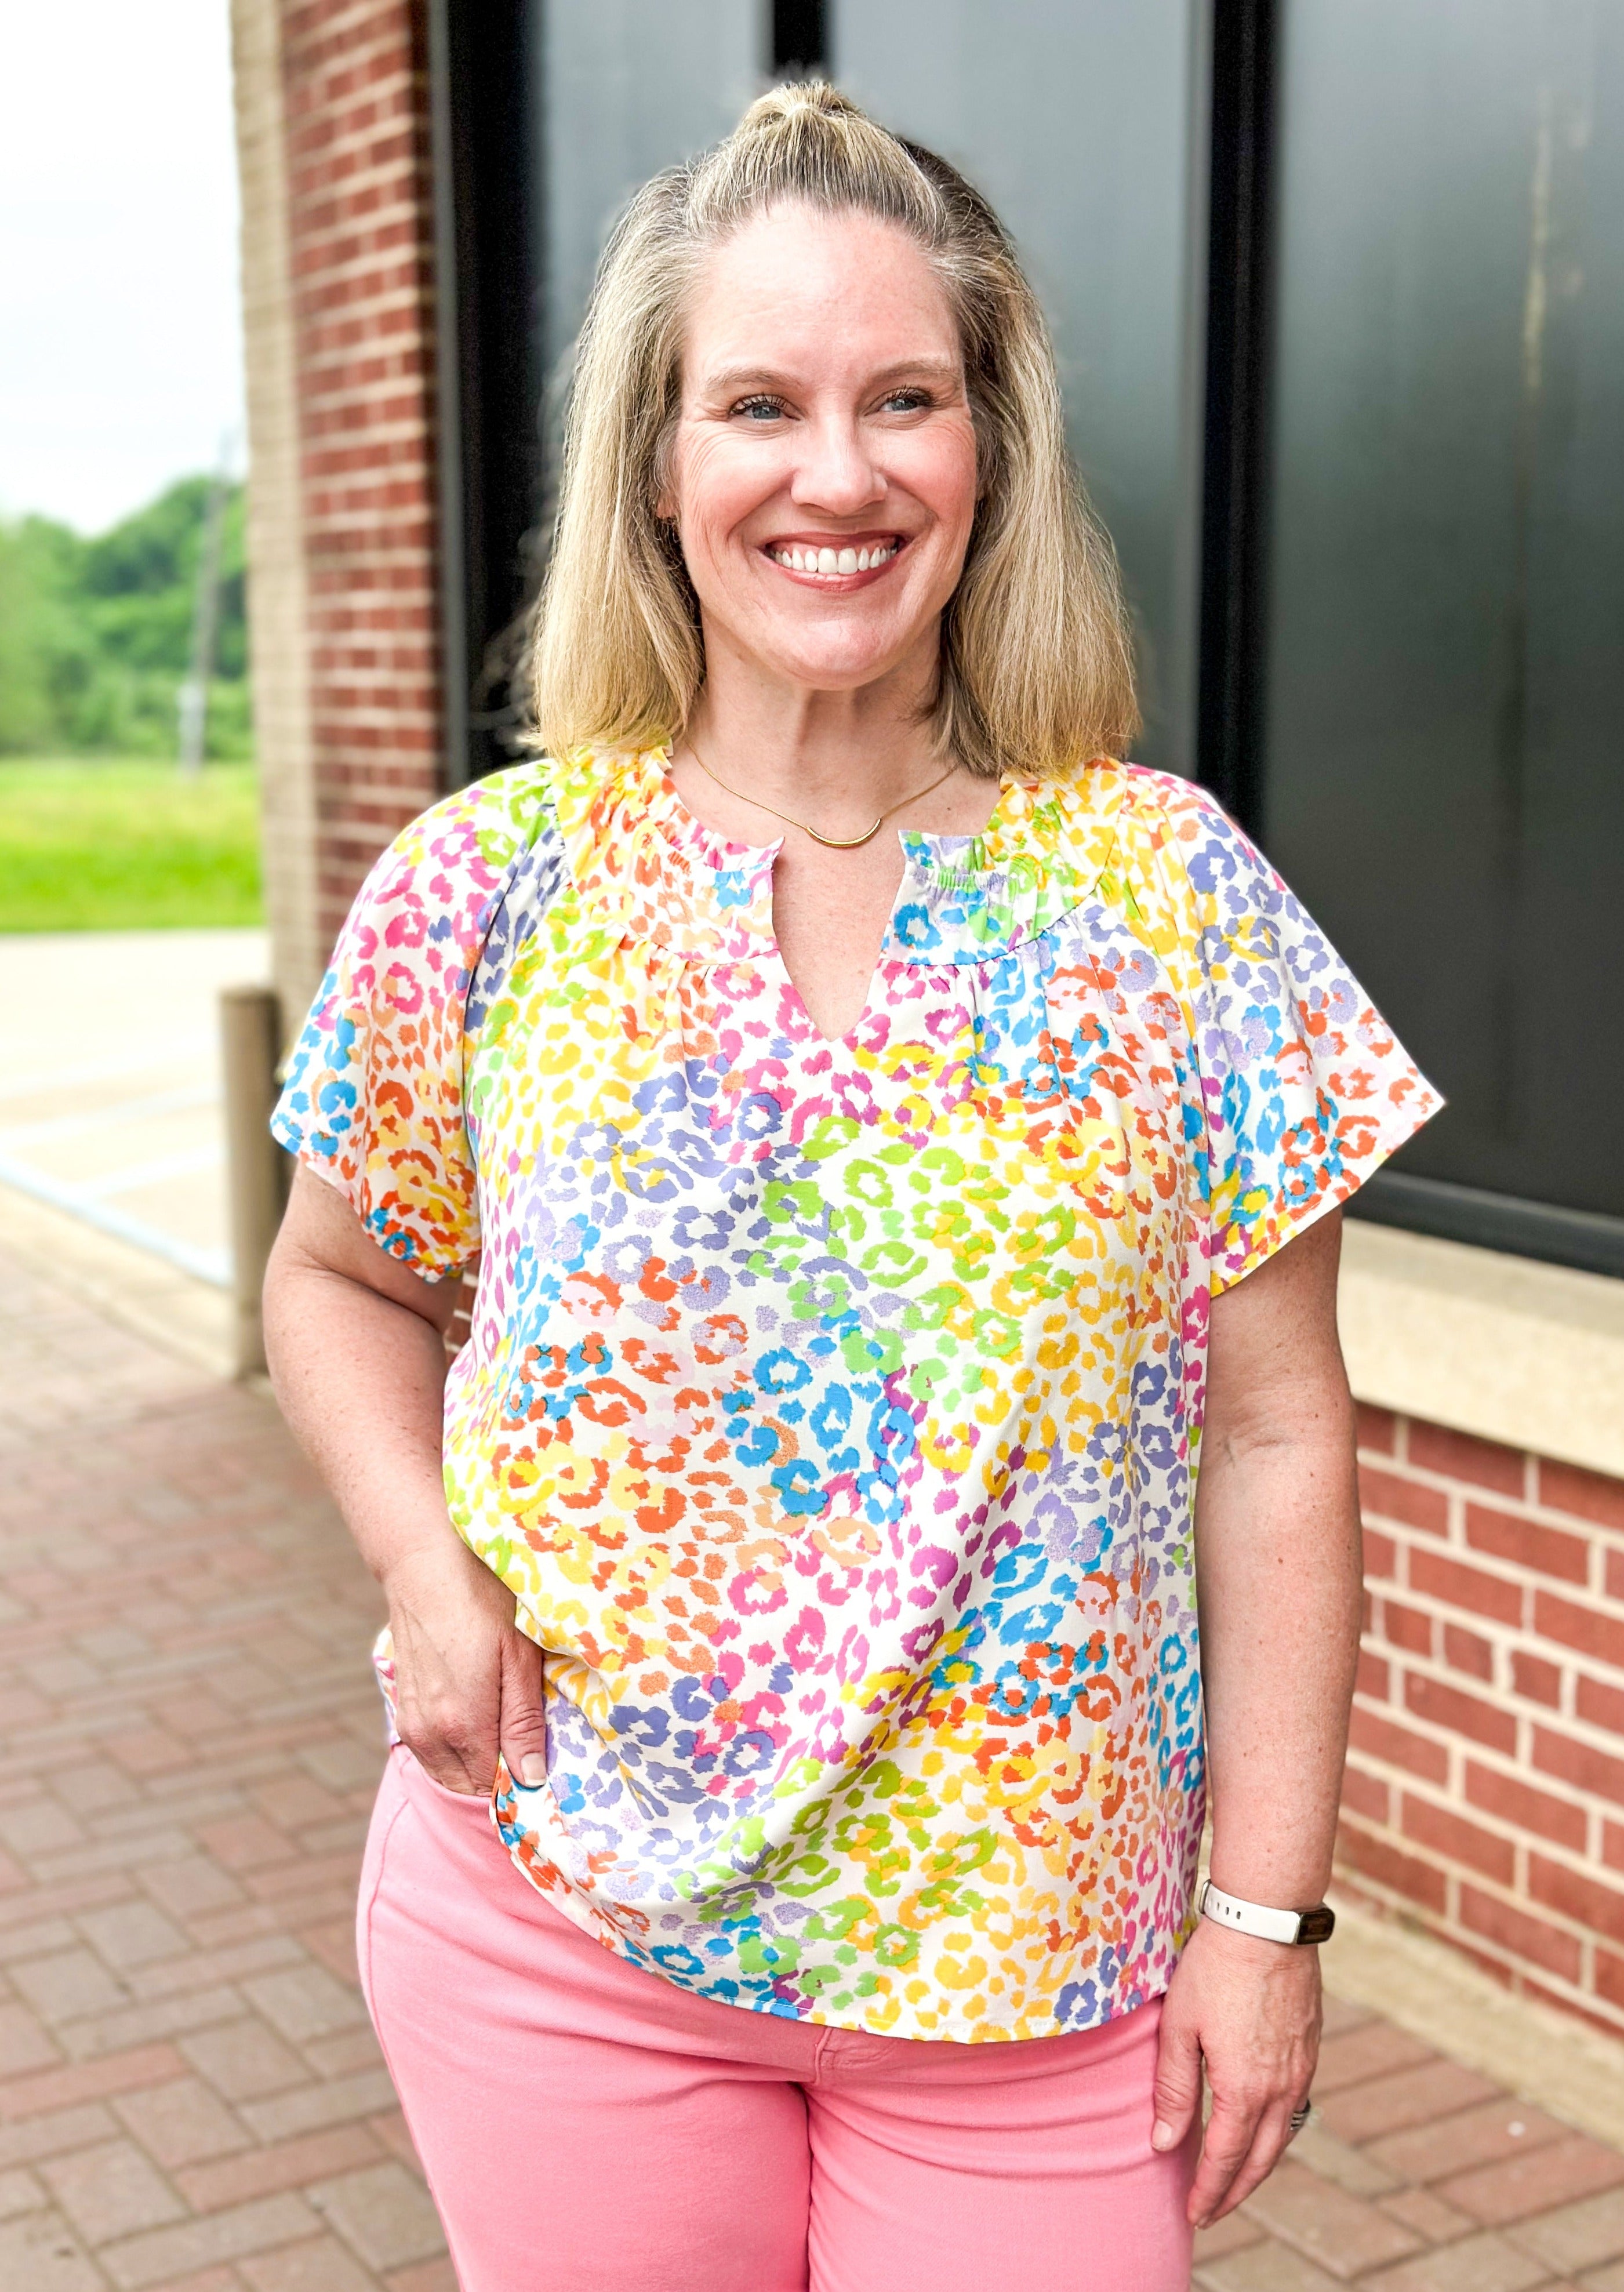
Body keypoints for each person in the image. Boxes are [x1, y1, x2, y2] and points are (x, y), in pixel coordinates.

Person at [264, 82, 1439, 2292]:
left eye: (905, 397)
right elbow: (333, 1276)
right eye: (759, 405)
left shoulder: (1167, 891)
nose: (836, 472)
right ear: (659, 462)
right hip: (561, 1935)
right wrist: (425, 1566)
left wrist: (1264, 1914)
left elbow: (1281, 1429)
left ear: (987, 451)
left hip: (1040, 1993)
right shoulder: (488, 884)